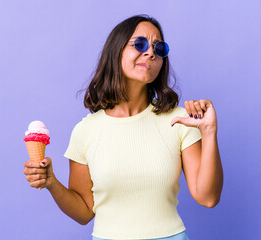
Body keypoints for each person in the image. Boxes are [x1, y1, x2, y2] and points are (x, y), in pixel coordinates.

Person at [23, 14, 223, 240]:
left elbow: (208, 198)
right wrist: (51, 183)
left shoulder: (179, 121)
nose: (150, 52)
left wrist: (208, 132)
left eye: (159, 49)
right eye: (139, 44)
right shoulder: (85, 131)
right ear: (116, 51)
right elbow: (84, 212)